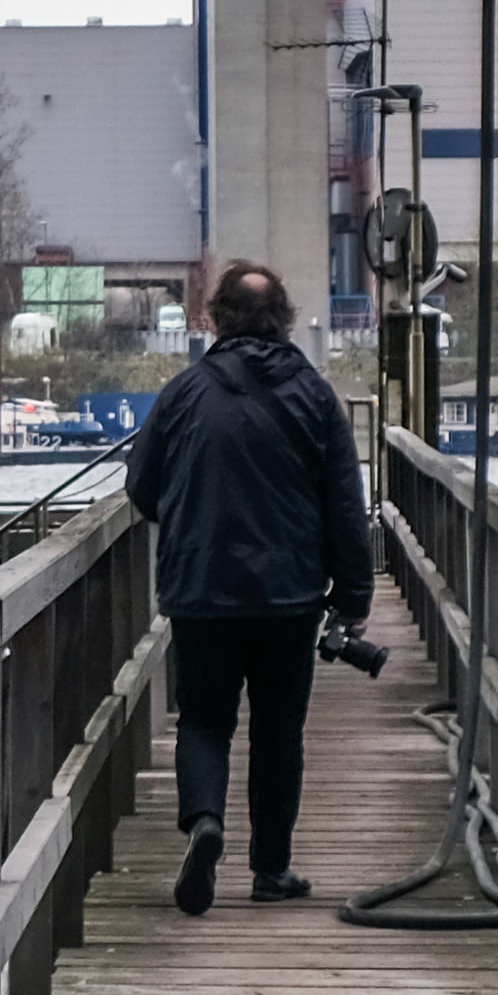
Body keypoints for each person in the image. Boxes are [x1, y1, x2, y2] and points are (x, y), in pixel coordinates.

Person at [123, 260, 372, 914]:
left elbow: (141, 486)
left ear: (215, 319)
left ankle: (205, 820)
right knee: (279, 729)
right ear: (283, 319)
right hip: (289, 596)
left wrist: (189, 520)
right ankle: (271, 868)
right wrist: (354, 596)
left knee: (204, 718)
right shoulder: (315, 396)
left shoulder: (183, 393)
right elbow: (345, 503)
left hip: (200, 589)